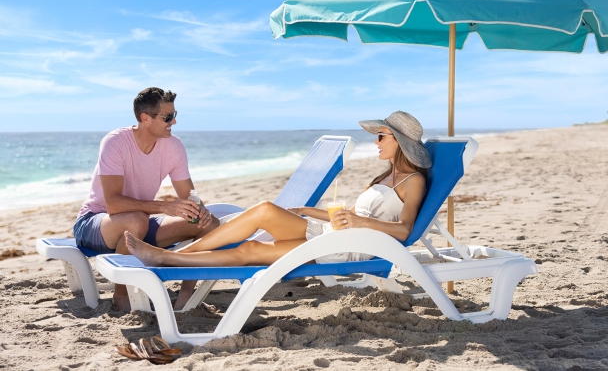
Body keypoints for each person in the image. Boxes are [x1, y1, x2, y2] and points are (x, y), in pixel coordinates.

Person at [124, 110, 431, 268]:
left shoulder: (412, 181)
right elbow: (349, 216)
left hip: (350, 247)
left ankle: (168, 258)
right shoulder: (384, 178)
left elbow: (404, 231)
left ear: (399, 142)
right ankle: (167, 257)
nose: (376, 142)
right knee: (265, 209)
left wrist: (359, 221)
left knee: (251, 249)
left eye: (382, 136)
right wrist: (306, 211)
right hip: (333, 233)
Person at [73, 87, 220, 311]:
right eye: (167, 117)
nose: (174, 122)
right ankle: (121, 296)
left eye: (175, 115)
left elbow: (188, 195)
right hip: (96, 221)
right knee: (136, 221)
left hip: (139, 222)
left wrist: (198, 210)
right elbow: (113, 204)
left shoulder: (174, 146)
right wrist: (164, 207)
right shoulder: (115, 142)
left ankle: (186, 298)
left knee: (207, 223)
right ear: (145, 118)